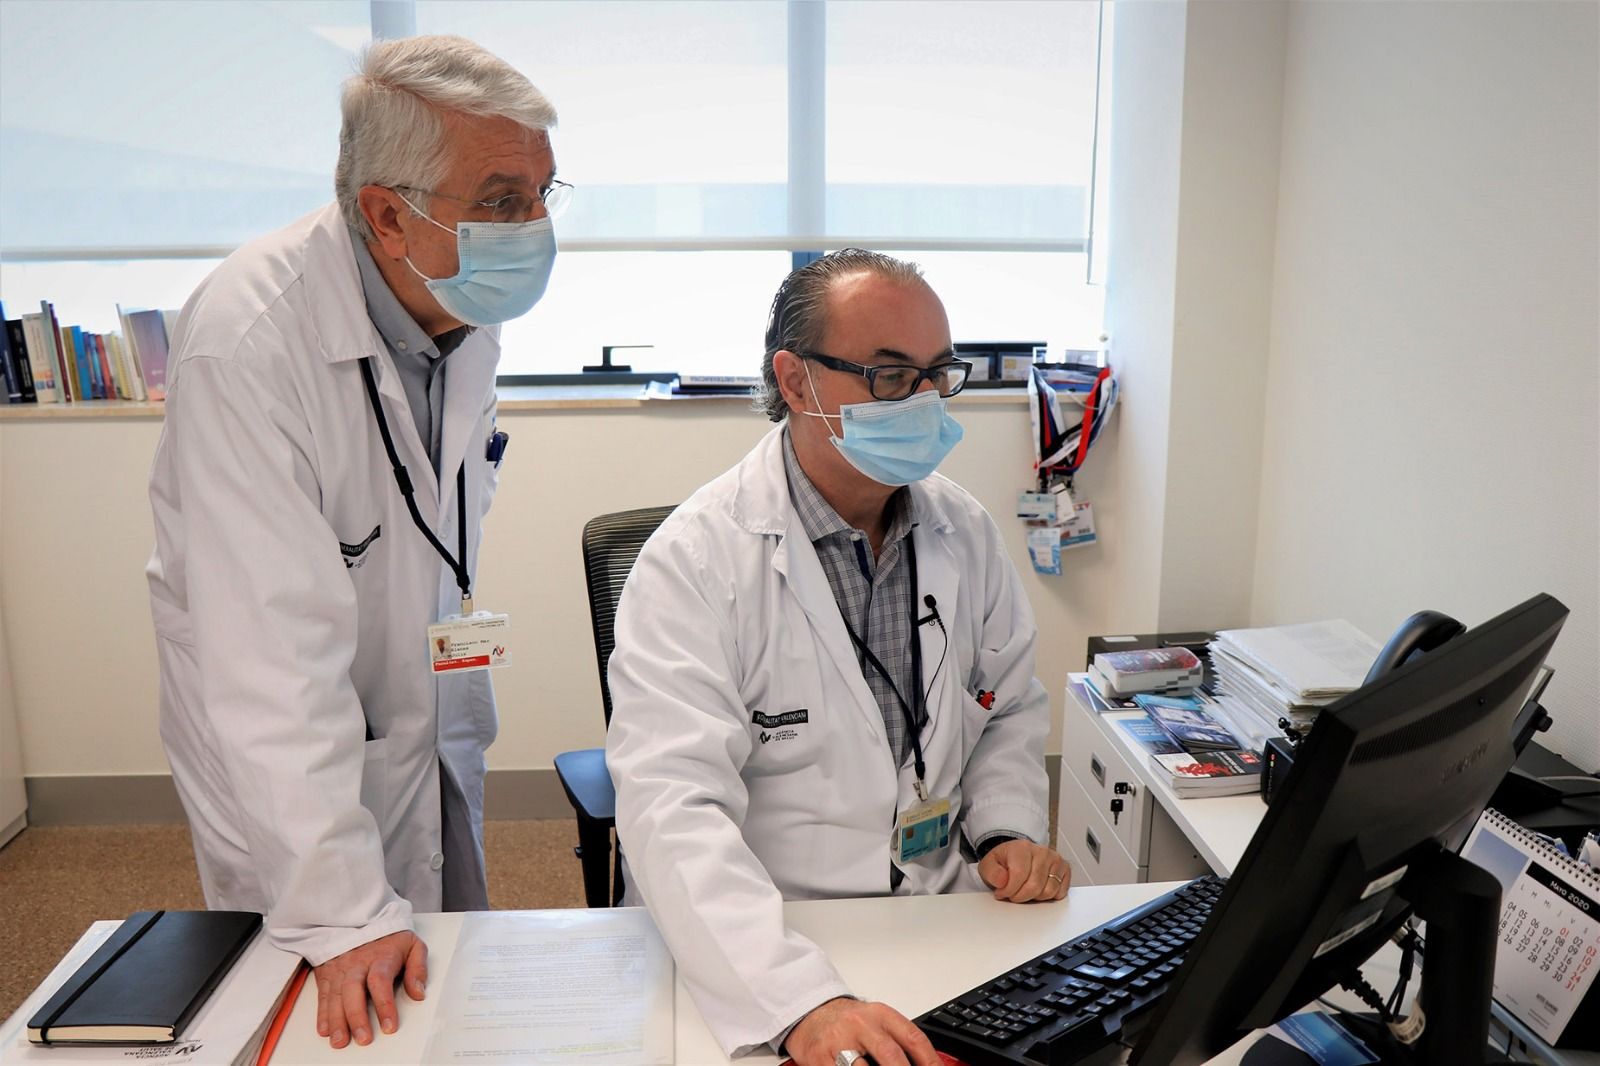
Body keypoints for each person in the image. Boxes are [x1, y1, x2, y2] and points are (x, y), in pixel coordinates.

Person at [146, 35, 562, 1050]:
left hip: (422, 715)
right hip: (294, 772)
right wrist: (338, 903)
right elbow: (266, 660)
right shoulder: (249, 344)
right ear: (386, 212)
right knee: (331, 1011)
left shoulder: (454, 304)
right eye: (502, 198)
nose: (536, 227)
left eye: (547, 193)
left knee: (452, 997)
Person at [606, 249, 1070, 1066]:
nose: (923, 402)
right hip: (764, 942)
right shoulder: (697, 561)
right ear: (794, 382)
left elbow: (1007, 707)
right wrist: (799, 1001)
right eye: (889, 376)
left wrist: (1004, 831)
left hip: (937, 916)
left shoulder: (964, 531)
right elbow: (673, 810)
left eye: (937, 374)